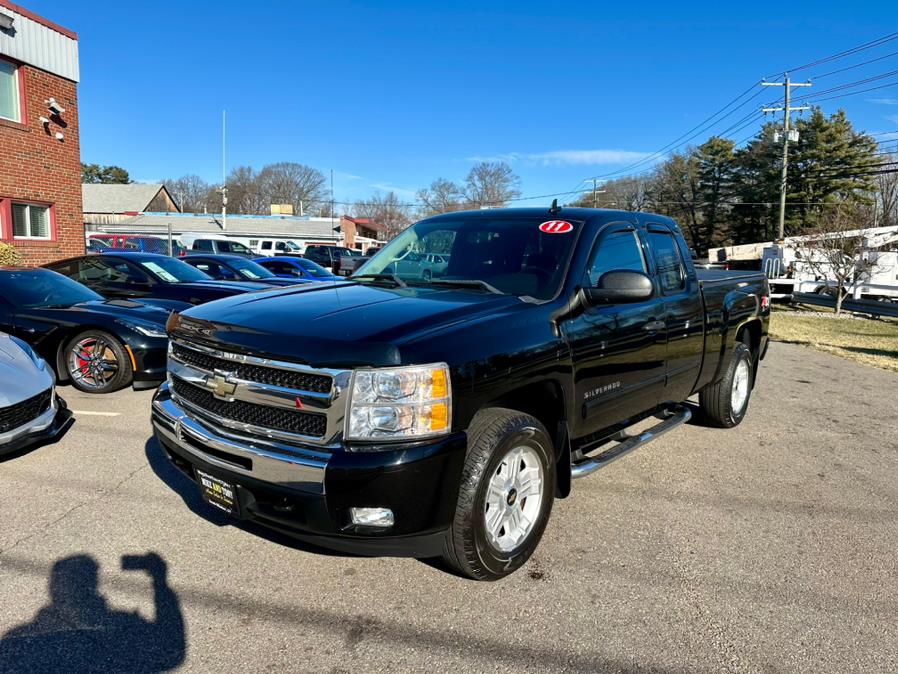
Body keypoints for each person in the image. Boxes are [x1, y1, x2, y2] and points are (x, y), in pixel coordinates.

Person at [0, 553, 185, 673]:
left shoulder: (15, 640)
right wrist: (160, 581)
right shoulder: (122, 625)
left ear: (53, 588)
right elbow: (172, 651)